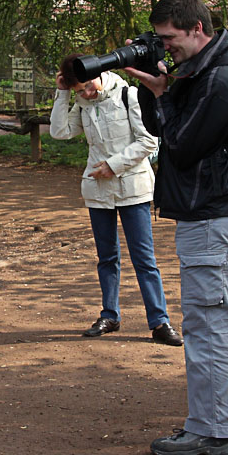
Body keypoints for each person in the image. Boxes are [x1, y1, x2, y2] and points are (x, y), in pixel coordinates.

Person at [123, 0, 228, 455]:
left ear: (197, 28)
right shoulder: (206, 71)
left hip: (210, 211)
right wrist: (158, 92)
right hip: (216, 209)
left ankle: (212, 429)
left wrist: (163, 96)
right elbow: (164, 130)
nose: (164, 45)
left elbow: (183, 144)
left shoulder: (222, 80)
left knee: (206, 319)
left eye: (169, 37)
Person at [49, 54, 182, 346]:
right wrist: (62, 93)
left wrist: (114, 165)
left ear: (98, 74)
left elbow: (149, 140)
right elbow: (59, 132)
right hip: (98, 191)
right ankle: (110, 315)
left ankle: (159, 322)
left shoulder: (128, 95)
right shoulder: (83, 104)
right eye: (78, 91)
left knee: (144, 258)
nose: (85, 93)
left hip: (133, 187)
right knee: (107, 258)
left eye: (87, 86)